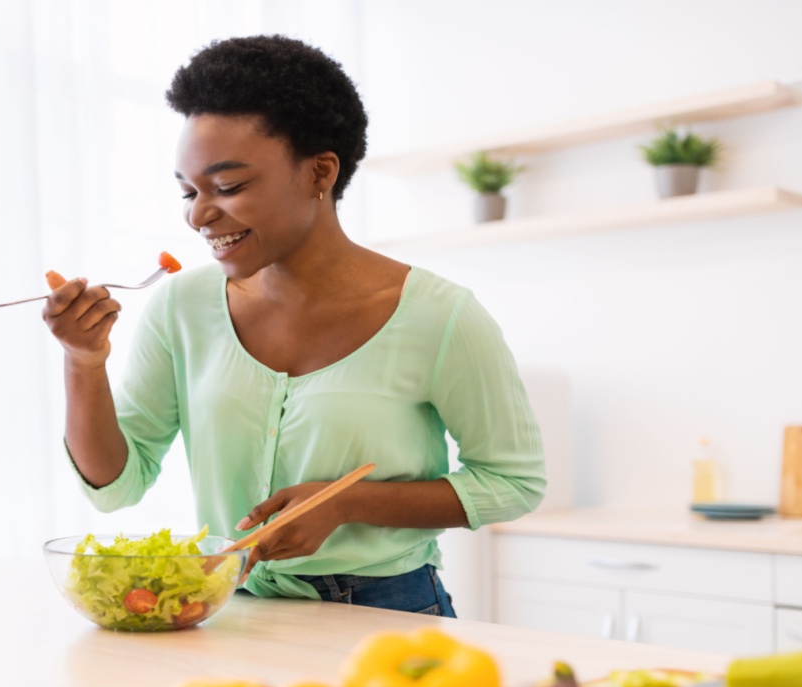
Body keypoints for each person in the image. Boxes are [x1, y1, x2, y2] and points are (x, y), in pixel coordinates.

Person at [40, 35, 545, 615]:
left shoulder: (441, 315)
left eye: (228, 187)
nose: (200, 215)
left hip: (388, 613)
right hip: (231, 608)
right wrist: (84, 361)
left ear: (320, 173)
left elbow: (513, 482)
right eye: (188, 190)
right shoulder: (181, 307)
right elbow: (115, 486)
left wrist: (347, 503)